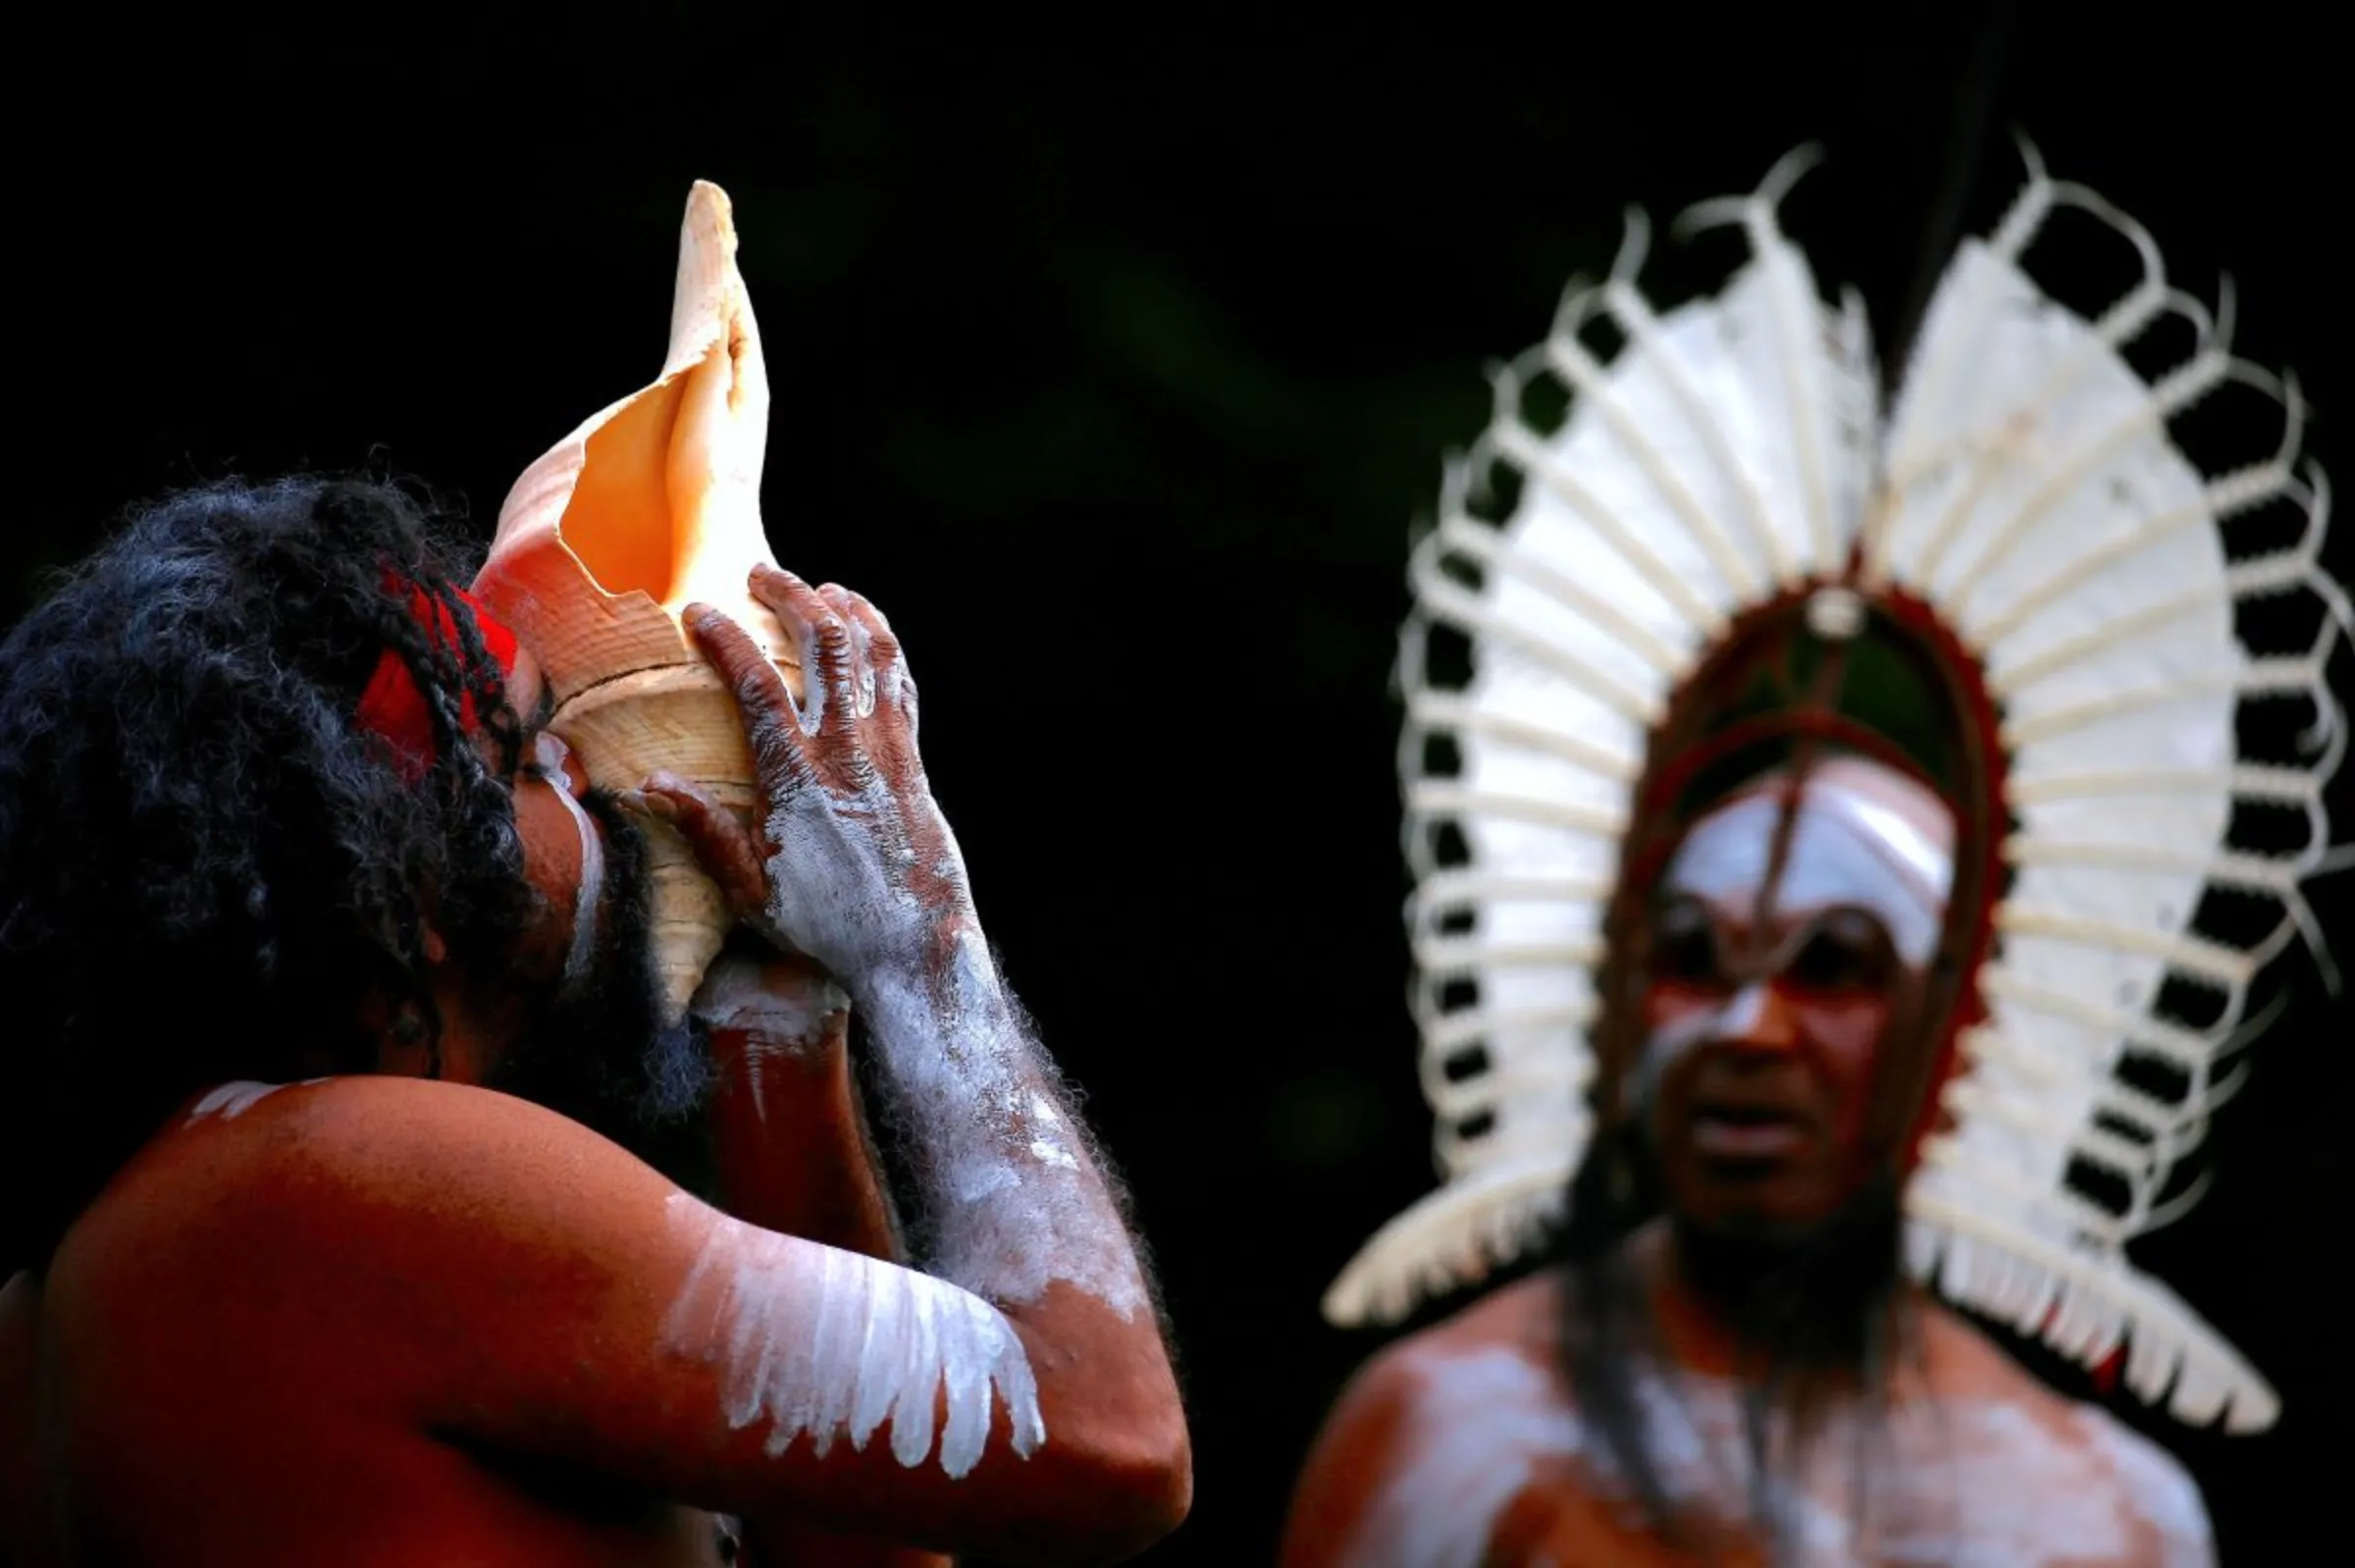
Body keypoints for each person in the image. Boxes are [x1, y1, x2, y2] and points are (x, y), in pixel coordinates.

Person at [1285, 144, 2342, 1566]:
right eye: (1690, 959)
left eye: (1834, 967)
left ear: (1961, 1019)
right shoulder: (1450, 1434)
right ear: (1610, 998)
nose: (1747, 1029)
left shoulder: (2105, 1512)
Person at [0, 474, 1190, 1565]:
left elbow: (867, 1544)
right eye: (525, 757)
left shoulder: (112, 1255)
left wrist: (773, 1019)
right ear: (392, 886)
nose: (586, 772)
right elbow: (1105, 1432)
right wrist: (926, 933)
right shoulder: (343, 1179)